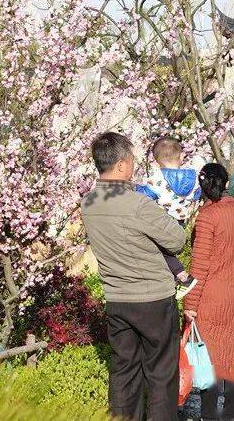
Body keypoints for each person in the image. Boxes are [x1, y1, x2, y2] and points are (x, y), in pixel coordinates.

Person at [81, 132, 187, 420]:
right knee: (161, 374)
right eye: (130, 161)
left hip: (117, 299)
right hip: (152, 299)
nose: (133, 166)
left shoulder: (88, 204)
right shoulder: (136, 204)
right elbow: (176, 239)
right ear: (120, 165)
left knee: (124, 372)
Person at [182, 162, 234, 420]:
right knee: (233, 360)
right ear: (225, 183)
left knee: (209, 364)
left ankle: (210, 416)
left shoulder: (207, 217)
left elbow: (199, 265)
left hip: (210, 300)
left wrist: (190, 303)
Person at [135, 136, 202, 299]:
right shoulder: (193, 177)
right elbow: (197, 194)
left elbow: (145, 194)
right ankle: (175, 277)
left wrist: (134, 187)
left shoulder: (156, 178)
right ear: (180, 156)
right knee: (164, 251)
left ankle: (182, 277)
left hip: (163, 221)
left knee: (156, 249)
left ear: (156, 160)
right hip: (179, 222)